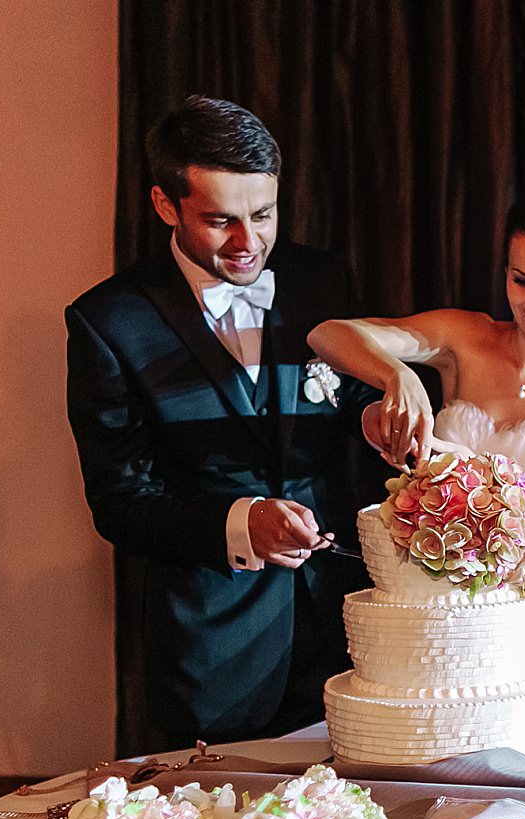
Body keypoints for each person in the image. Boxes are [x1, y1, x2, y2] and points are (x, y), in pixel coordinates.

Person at [65, 96, 380, 755]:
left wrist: (380, 416)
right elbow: (119, 503)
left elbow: (347, 401)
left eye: (262, 215)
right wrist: (241, 523)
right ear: (164, 205)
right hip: (216, 651)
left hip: (343, 628)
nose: (248, 242)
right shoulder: (109, 322)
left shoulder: (322, 280)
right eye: (220, 221)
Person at [307, 189, 525, 737]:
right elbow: (327, 334)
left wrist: (453, 494)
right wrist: (396, 375)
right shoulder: (464, 338)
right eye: (522, 280)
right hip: (428, 594)